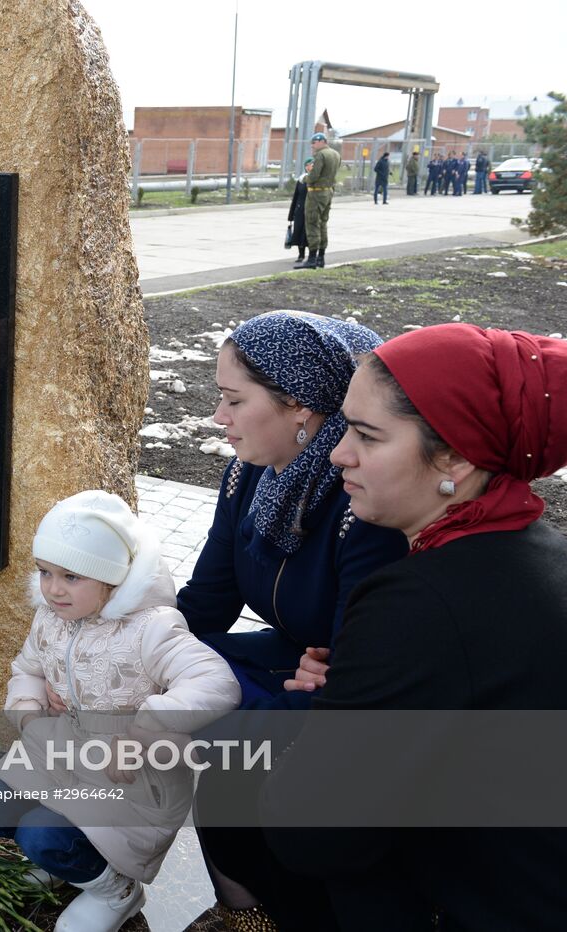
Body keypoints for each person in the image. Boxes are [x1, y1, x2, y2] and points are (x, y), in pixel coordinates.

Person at [262, 323, 567, 930]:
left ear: (454, 454)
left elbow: (313, 836)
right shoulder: (537, 553)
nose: (337, 452)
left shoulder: (421, 597)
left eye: (367, 436)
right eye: (344, 425)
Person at [178, 312, 407, 931]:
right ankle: (241, 909)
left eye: (232, 400)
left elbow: (352, 672)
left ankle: (278, 908)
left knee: (218, 747)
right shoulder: (247, 476)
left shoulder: (361, 503)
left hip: (351, 707)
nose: (217, 417)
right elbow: (203, 606)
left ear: (299, 408)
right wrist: (116, 653)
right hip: (295, 665)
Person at [0, 491, 240, 932]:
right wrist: (31, 713)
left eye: (72, 576)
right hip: (63, 754)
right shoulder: (52, 618)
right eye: (45, 572)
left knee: (42, 833)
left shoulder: (151, 628)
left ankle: (115, 891)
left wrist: (145, 728)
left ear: (113, 580)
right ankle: (70, 863)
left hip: (129, 778)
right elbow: (27, 670)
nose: (53, 588)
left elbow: (216, 681)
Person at [295, 133, 338, 270]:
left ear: (321, 141)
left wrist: (304, 179)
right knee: (323, 224)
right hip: (328, 191)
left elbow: (314, 175)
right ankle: (321, 257)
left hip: (317, 193)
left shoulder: (320, 155)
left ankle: (312, 258)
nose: (312, 145)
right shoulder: (335, 154)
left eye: (314, 142)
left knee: (312, 223)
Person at [287, 157, 311, 265]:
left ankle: (312, 255)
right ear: (306, 167)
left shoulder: (317, 180)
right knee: (299, 232)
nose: (312, 166)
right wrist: (291, 215)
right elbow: (295, 197)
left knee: (309, 234)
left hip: (312, 211)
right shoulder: (301, 180)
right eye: (310, 164)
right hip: (300, 211)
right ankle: (301, 255)